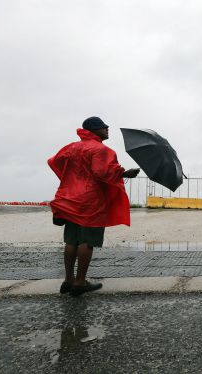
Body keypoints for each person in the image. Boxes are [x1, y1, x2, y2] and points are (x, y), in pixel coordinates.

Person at [48, 116, 140, 296]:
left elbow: (54, 161)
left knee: (71, 240)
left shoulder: (71, 147)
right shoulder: (102, 150)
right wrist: (124, 173)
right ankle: (80, 282)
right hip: (91, 201)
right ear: (93, 130)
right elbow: (101, 172)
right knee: (87, 241)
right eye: (102, 126)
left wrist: (69, 178)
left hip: (68, 198)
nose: (107, 128)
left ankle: (68, 280)